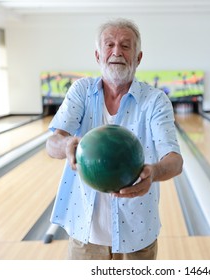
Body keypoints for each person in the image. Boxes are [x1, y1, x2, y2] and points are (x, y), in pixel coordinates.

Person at [46, 18, 183, 260]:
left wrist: (154, 172)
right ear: (98, 55)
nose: (116, 51)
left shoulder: (155, 101)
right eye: (109, 45)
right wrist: (67, 145)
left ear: (138, 58)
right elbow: (52, 142)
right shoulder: (81, 91)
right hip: (84, 233)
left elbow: (174, 160)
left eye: (126, 46)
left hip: (137, 236)